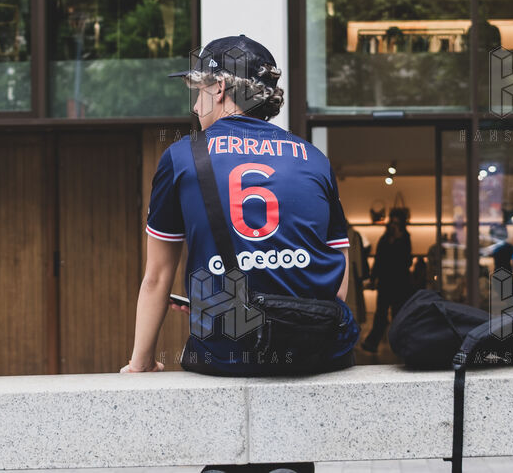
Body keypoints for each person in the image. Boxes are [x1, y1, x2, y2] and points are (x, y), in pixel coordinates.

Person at [121, 34, 358, 473]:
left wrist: (141, 363)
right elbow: (338, 276)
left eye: (198, 91)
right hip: (311, 354)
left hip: (225, 352)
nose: (195, 106)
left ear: (220, 89)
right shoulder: (313, 157)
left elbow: (156, 278)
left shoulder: (182, 156)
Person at [360, 208, 412, 353]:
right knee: (380, 314)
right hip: (385, 282)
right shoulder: (384, 239)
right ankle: (372, 342)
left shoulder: (405, 239)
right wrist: (373, 278)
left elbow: (406, 261)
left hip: (400, 283)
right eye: (392, 222)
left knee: (398, 315)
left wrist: (397, 240)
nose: (393, 226)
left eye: (396, 223)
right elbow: (378, 260)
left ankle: (399, 344)